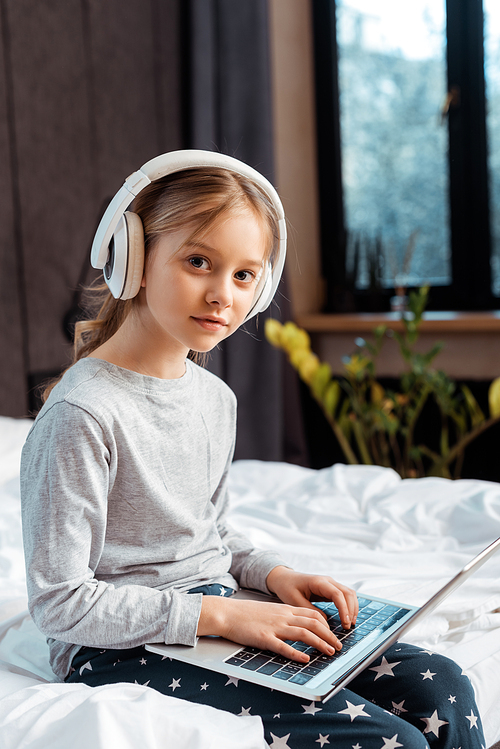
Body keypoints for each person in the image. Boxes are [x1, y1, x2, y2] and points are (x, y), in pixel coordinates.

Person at [21, 151, 484, 749]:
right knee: (388, 741)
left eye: (243, 275)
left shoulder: (214, 399)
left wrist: (272, 575)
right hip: (116, 645)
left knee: (443, 689)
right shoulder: (82, 414)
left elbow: (203, 533)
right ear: (131, 258)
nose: (222, 295)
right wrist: (223, 616)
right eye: (197, 262)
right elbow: (60, 603)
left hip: (216, 610)